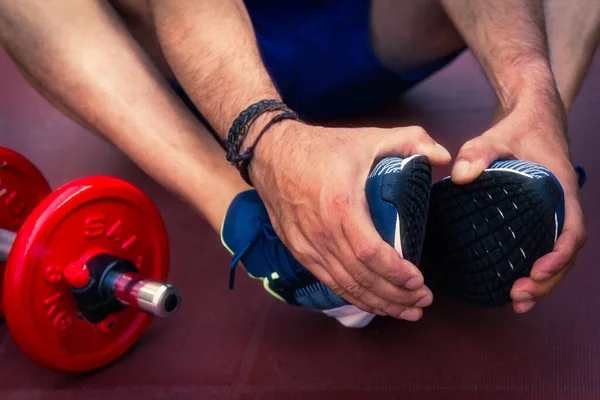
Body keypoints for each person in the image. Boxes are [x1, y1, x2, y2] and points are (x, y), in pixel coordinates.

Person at [0, 0, 596, 325]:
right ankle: (249, 220)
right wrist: (269, 140)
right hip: (184, 60)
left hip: (362, 29)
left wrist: (533, 94)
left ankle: (526, 149)